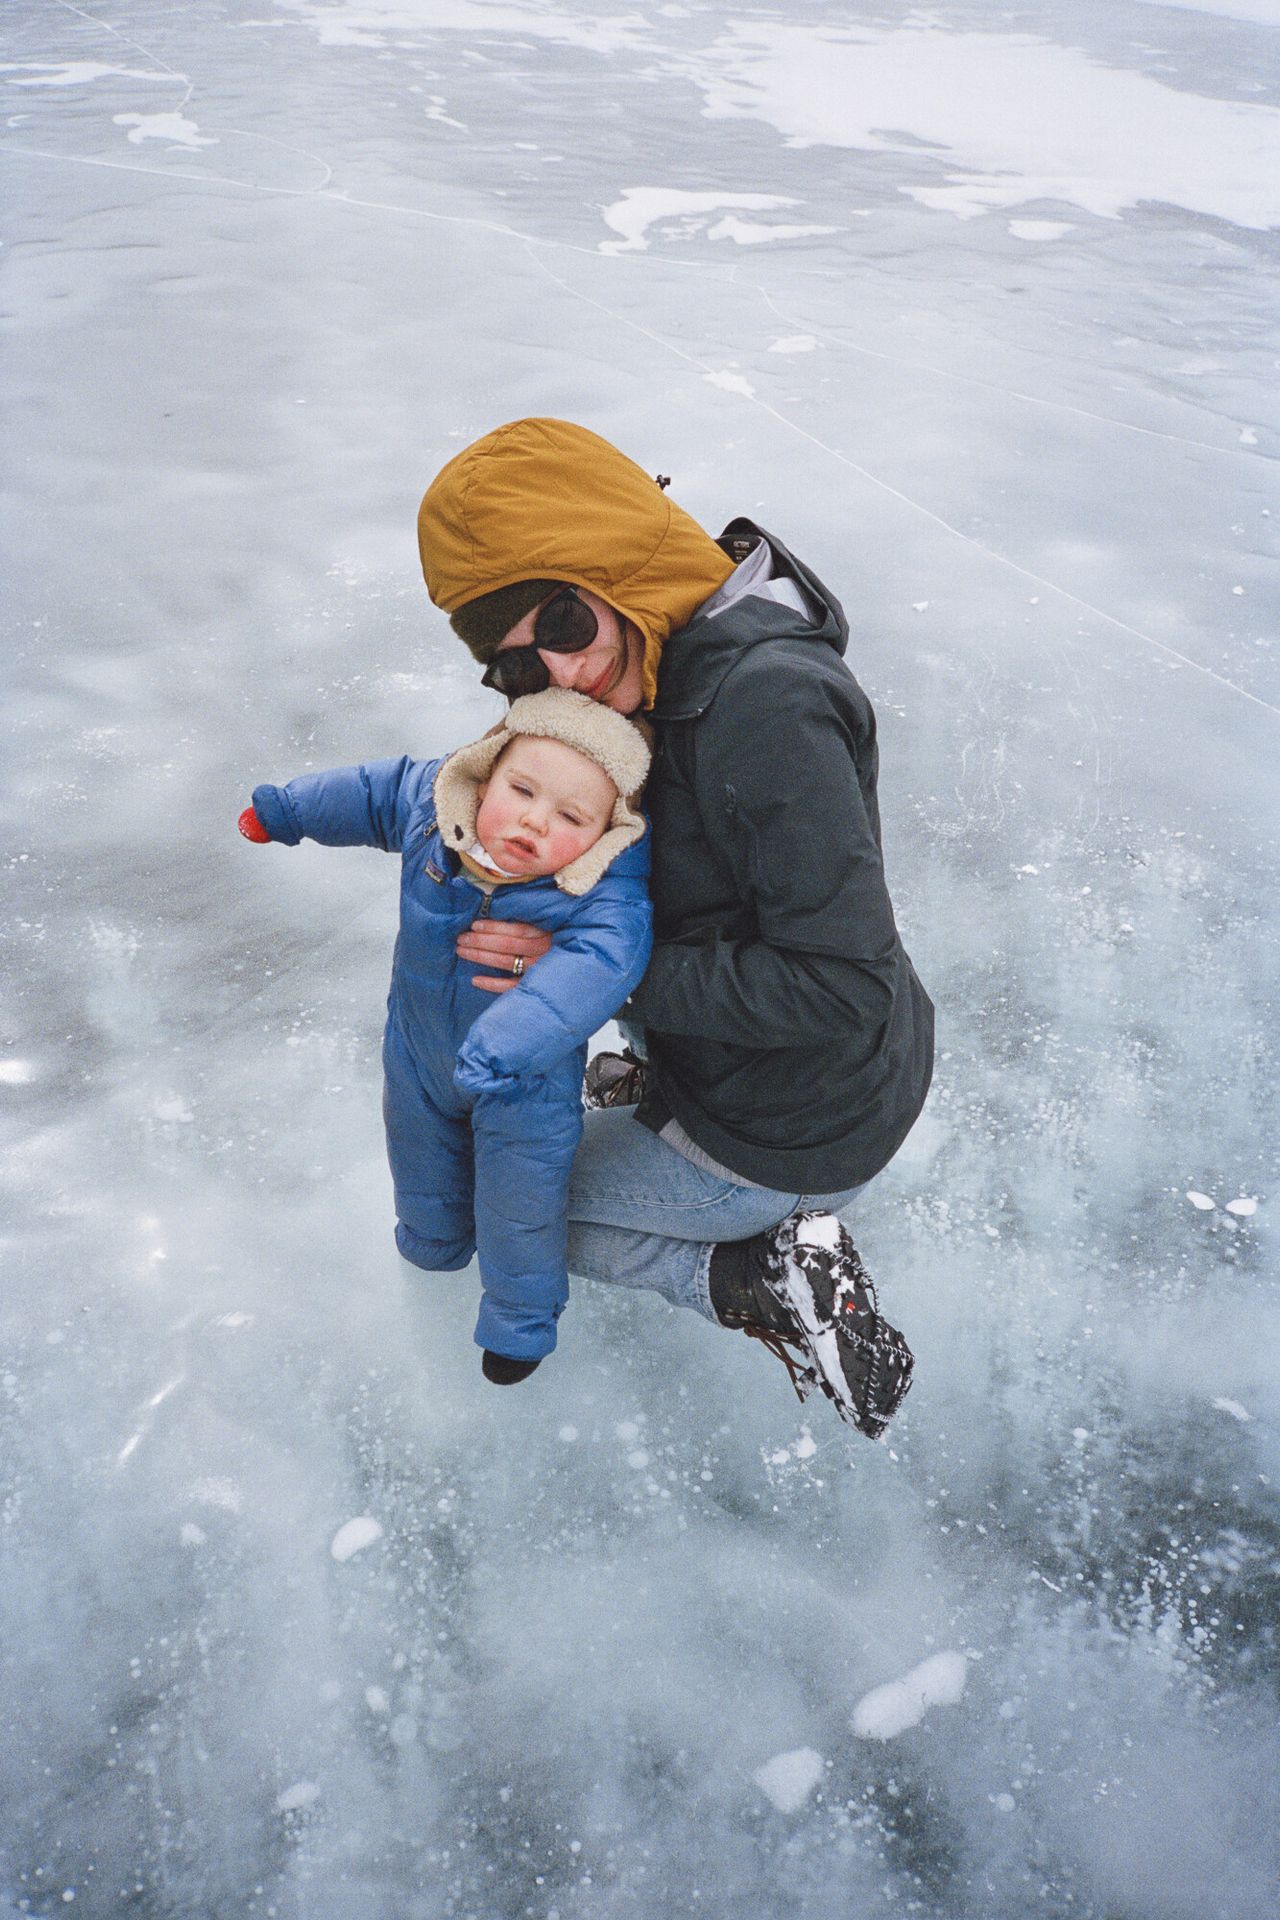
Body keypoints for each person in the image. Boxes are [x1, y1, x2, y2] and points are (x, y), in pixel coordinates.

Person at [416, 417, 934, 1439]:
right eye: (512, 666)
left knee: (493, 1203)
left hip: (798, 1121)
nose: (554, 675)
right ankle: (666, 1100)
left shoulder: (764, 705)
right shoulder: (652, 665)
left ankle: (756, 1272)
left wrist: (592, 977)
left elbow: (841, 985)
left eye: (559, 620)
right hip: (770, 1073)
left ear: (617, 562)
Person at [238, 687, 653, 1381]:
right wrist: (287, 810)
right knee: (421, 1170)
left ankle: (518, 1330)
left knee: (520, 1208)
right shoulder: (433, 813)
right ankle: (432, 1255)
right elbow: (373, 793)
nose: (533, 821)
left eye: (571, 817)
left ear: (607, 834)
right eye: (521, 790)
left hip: (523, 1085)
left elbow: (597, 967)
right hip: (420, 1056)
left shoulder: (603, 894)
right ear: (485, 774)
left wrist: (503, 1046)